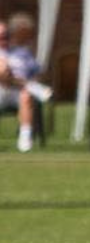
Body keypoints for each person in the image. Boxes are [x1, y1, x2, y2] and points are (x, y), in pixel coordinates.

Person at [0, 12, 52, 153]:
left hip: (18, 92)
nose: (3, 40)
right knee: (2, 68)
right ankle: (33, 88)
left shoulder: (23, 52)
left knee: (26, 96)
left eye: (5, 36)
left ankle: (25, 137)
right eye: (0, 37)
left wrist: (32, 81)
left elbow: (37, 72)